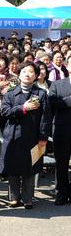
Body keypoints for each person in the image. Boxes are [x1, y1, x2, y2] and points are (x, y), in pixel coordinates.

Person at [0, 62, 50, 209]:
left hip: (33, 136)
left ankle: (28, 198)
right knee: (13, 168)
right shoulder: (10, 93)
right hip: (13, 136)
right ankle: (14, 198)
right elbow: (5, 112)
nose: (27, 74)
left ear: (35, 75)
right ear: (19, 75)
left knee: (30, 169)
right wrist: (23, 108)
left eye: (31, 72)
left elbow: (45, 118)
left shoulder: (41, 94)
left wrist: (43, 138)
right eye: (24, 72)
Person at [48, 55, 71, 205]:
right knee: (61, 164)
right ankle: (62, 193)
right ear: (67, 66)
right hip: (62, 130)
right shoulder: (57, 84)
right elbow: (53, 103)